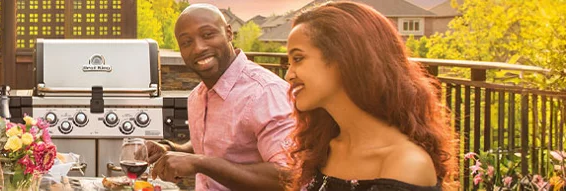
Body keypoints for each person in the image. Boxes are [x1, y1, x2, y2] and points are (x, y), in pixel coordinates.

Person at [282, 2, 459, 190]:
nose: (289, 75)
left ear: (344, 58)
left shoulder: (406, 165)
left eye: (298, 59)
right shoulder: (325, 148)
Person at [140, 3, 296, 191]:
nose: (198, 48)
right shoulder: (197, 96)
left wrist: (200, 163)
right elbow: (215, 146)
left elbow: (290, 176)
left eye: (208, 35)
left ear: (229, 33)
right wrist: (172, 149)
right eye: (186, 42)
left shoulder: (266, 93)